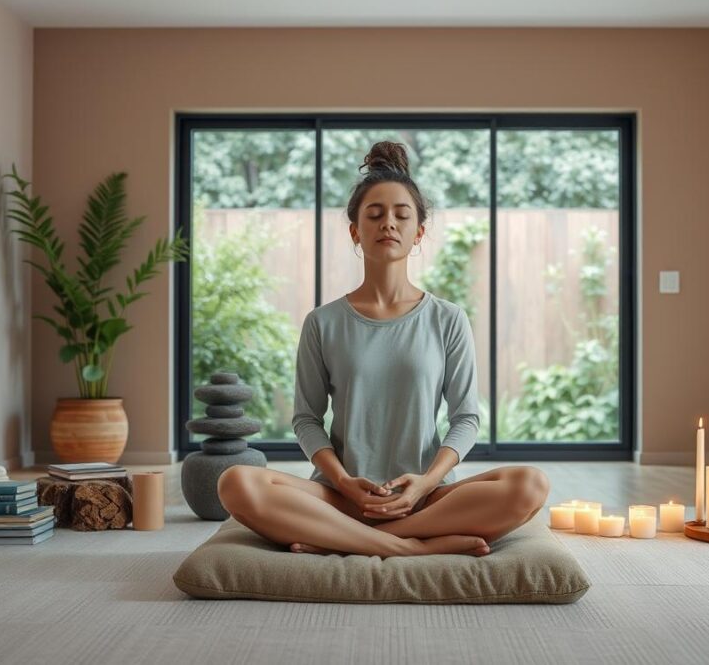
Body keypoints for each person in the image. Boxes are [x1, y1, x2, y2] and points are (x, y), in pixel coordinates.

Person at [218, 141, 550, 558]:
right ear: (356, 231)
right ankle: (412, 548)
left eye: (401, 215)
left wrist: (427, 482)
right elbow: (306, 419)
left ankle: (355, 539)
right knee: (236, 482)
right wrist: (343, 483)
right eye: (374, 215)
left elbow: (465, 418)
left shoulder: (448, 319)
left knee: (530, 484)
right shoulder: (323, 322)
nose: (388, 223)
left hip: (425, 499)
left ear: (418, 233)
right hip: (339, 498)